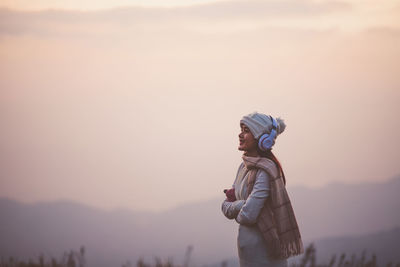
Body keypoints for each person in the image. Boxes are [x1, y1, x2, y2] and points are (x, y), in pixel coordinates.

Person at [221, 112, 304, 267]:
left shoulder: (266, 171)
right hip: (247, 252)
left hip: (264, 253)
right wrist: (241, 204)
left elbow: (248, 216)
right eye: (241, 129)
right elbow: (225, 206)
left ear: (262, 139)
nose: (240, 134)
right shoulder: (243, 167)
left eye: (246, 130)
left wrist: (236, 205)